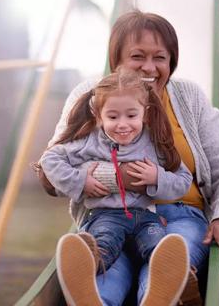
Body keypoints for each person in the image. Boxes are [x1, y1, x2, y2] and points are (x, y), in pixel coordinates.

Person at [39, 10, 219, 305]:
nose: (149, 67)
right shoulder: (91, 96)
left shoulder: (190, 97)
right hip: (111, 214)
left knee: (168, 258)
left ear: (171, 60)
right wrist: (95, 178)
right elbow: (51, 168)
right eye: (138, 56)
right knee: (109, 270)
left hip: (181, 216)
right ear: (117, 60)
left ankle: (157, 298)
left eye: (160, 57)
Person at [40, 68, 194, 305]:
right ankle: (84, 272)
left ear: (145, 113)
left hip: (145, 217)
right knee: (103, 246)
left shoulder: (155, 144)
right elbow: (50, 159)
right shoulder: (88, 142)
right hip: (106, 216)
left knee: (159, 247)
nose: (122, 124)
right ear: (99, 116)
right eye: (113, 117)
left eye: (131, 116)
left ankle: (175, 284)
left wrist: (157, 178)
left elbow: (183, 179)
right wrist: (80, 182)